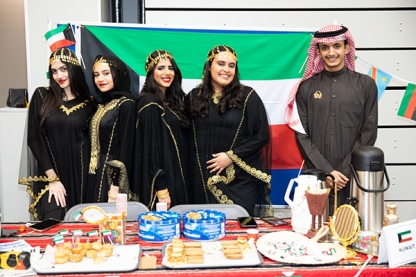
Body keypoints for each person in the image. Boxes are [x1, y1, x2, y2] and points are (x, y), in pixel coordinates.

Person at [285, 24, 378, 213]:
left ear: (347, 48)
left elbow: (369, 132)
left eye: (337, 46)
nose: (331, 52)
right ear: (318, 52)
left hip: (355, 175)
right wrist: (327, 171)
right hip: (317, 177)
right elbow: (301, 134)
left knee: (353, 229)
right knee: (316, 231)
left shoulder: (366, 85)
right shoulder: (307, 88)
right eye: (325, 47)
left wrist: (343, 171)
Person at [187, 45, 273, 217]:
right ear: (209, 66)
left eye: (231, 66)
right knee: (203, 231)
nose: (226, 69)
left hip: (238, 180)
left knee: (238, 229)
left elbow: (262, 136)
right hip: (199, 176)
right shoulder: (193, 96)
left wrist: (230, 156)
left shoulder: (248, 96)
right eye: (221, 64)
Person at [19, 48, 95, 220]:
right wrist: (53, 179)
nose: (59, 75)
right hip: (50, 176)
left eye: (63, 69)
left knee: (78, 230)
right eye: (54, 71)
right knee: (53, 224)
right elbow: (34, 139)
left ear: (73, 69)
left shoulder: (89, 103)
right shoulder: (41, 95)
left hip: (80, 177)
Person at [133, 50, 189, 210]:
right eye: (160, 68)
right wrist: (162, 189)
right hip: (163, 182)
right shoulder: (149, 102)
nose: (167, 73)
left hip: (177, 176)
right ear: (151, 73)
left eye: (170, 68)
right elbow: (149, 149)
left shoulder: (173, 102)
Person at [87, 55, 136, 203]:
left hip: (113, 177)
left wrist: (115, 187)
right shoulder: (102, 104)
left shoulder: (126, 104)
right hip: (96, 174)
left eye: (106, 73)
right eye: (96, 75)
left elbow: (126, 148)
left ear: (118, 74)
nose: (100, 79)